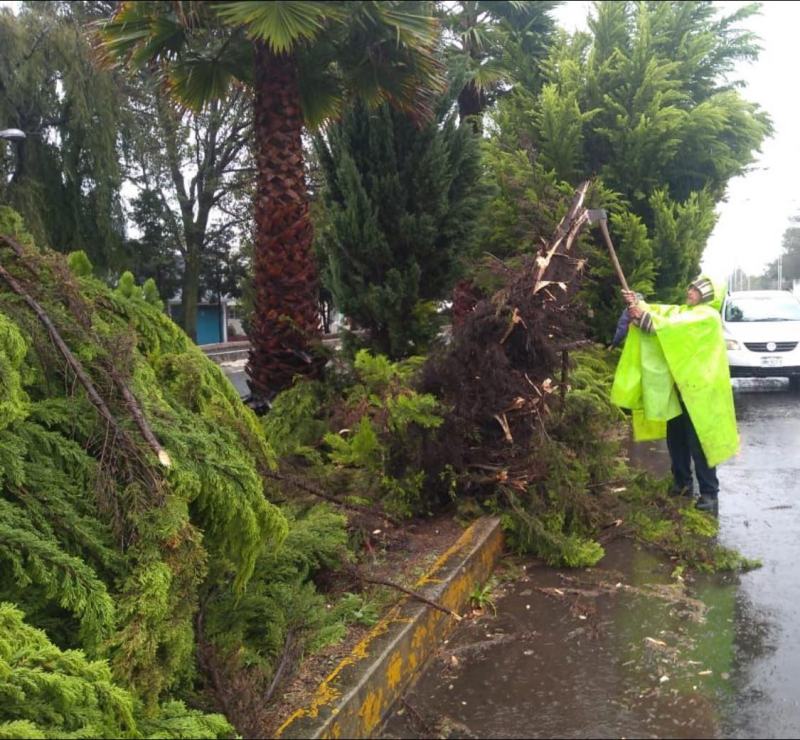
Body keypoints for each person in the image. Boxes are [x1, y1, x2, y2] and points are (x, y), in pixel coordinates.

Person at [610, 276, 739, 514]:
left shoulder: (707, 318)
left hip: (700, 394)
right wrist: (638, 302)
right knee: (676, 439)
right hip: (679, 391)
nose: (690, 291)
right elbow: (664, 314)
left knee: (699, 443)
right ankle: (682, 484)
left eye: (697, 290)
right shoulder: (684, 311)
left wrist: (644, 316)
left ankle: (710, 494)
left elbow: (670, 327)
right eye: (690, 286)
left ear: (709, 296)